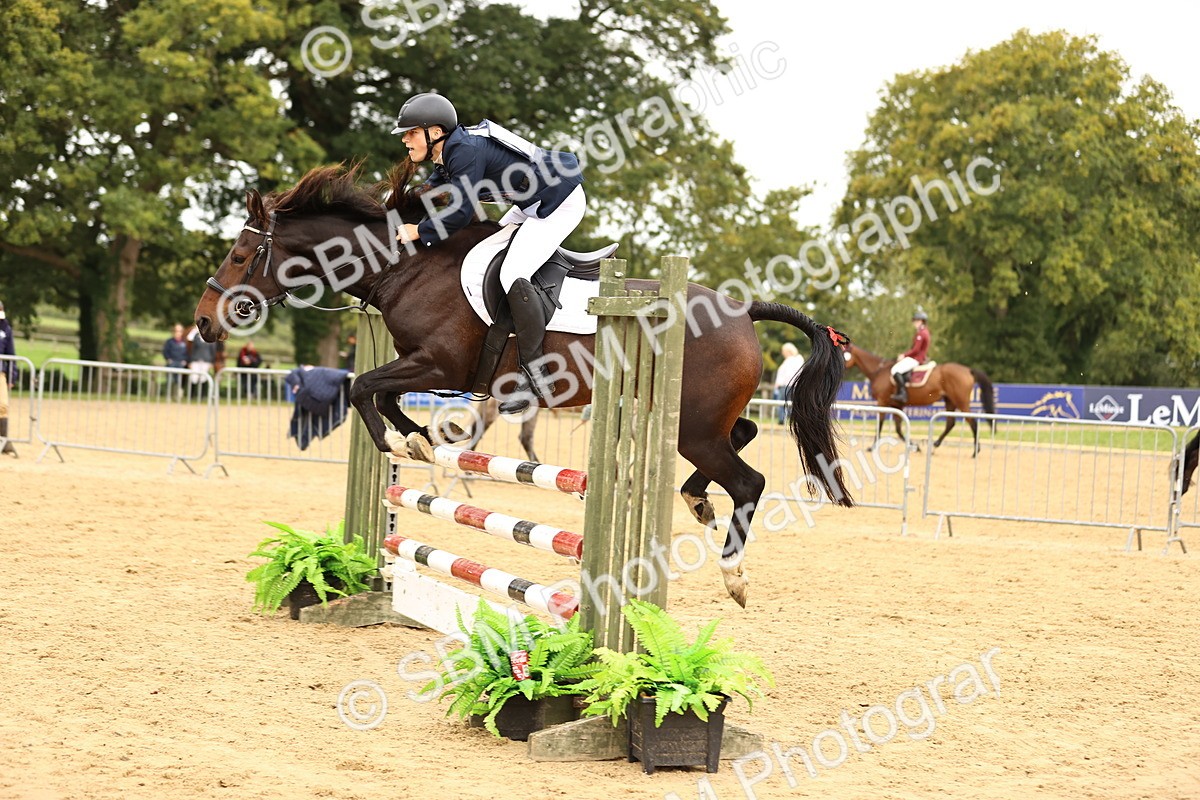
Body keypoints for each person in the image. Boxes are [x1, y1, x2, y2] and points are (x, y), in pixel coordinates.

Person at [390, 92, 585, 414]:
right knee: (484, 255)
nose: (405, 141)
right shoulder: (450, 154)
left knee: (511, 273)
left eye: (410, 133)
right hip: (529, 205)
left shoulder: (464, 151)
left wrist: (420, 231)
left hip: (558, 203)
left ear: (434, 132)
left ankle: (537, 377)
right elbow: (433, 191)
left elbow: (461, 212)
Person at [891, 310, 931, 404]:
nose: (914, 323)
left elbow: (915, 350)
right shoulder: (924, 332)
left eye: (916, 321)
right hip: (918, 358)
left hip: (916, 359)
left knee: (895, 370)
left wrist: (903, 355)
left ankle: (903, 394)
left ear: (921, 321)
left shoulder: (921, 333)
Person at [0, 300, 18, 457]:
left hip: (0, 373)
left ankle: (3, 440)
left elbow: (11, 354)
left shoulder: (6, 329)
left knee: (3, 406)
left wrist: (12, 375)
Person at [772, 342, 805, 424]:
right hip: (793, 385)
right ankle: (790, 419)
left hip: (786, 386)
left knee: (782, 403)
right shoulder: (798, 360)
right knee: (791, 403)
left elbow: (786, 375)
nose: (783, 353)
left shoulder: (791, 361)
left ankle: (782, 419)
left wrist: (778, 383)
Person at [185, 325, 217, 400]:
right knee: (194, 378)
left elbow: (213, 351)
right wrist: (190, 361)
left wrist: (212, 362)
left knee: (203, 378)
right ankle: (191, 396)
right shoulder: (196, 337)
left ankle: (202, 396)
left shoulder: (210, 338)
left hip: (206, 360)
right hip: (196, 360)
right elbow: (191, 350)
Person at [162, 323, 189, 400]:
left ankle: (178, 397)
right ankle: (168, 396)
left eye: (180, 331)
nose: (178, 333)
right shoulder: (169, 342)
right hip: (171, 364)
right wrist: (168, 359)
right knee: (170, 381)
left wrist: (185, 360)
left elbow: (187, 353)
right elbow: (165, 352)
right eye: (176, 331)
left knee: (179, 381)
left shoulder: (184, 343)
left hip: (180, 364)